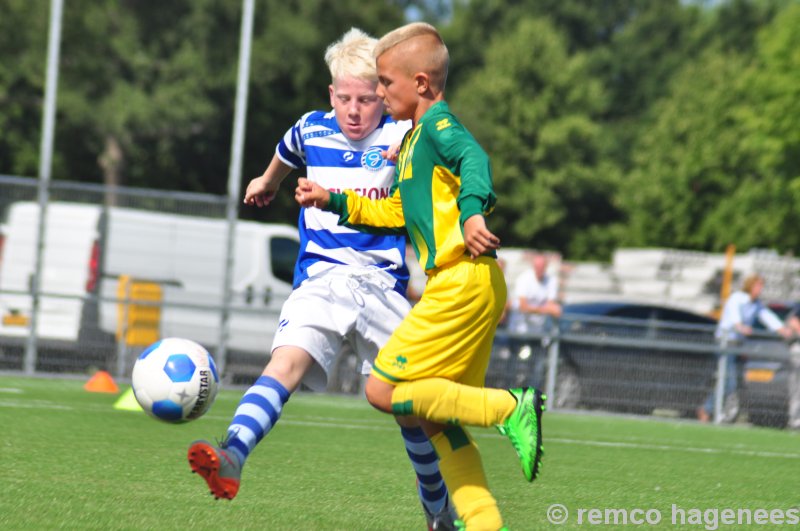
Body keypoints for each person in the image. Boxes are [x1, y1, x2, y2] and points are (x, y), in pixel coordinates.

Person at [186, 28, 456, 530]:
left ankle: (438, 504)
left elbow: (436, 154)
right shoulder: (312, 128)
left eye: (368, 99)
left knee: (408, 407)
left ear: (384, 94)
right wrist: (266, 183)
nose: (355, 110)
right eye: (345, 98)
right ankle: (232, 456)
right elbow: (286, 152)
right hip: (321, 281)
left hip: (380, 287)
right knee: (284, 364)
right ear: (331, 94)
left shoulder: (401, 136)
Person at [296, 22, 544, 530]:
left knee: (383, 391)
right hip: (471, 285)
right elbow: (394, 213)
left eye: (386, 83)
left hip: (459, 283)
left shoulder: (436, 127)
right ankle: (483, 523)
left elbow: (474, 158)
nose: (379, 92)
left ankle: (508, 406)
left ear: (423, 84)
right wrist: (334, 200)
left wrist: (474, 212)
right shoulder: (412, 142)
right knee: (438, 419)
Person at [698, 274, 793, 423]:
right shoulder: (737, 298)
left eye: (761, 287)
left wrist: (782, 329)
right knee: (729, 382)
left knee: (735, 382)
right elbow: (735, 318)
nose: (760, 290)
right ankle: (708, 410)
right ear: (750, 286)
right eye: (758, 286)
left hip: (738, 345)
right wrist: (740, 327)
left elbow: (768, 317)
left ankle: (714, 411)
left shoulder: (756, 304)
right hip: (726, 343)